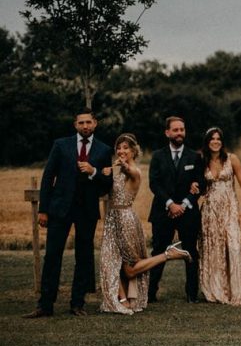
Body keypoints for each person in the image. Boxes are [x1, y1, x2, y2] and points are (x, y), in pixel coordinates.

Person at [24, 108, 113, 318]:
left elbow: (106, 184)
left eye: (88, 122)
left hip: (87, 211)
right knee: (53, 255)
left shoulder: (103, 150)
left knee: (83, 257)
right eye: (81, 123)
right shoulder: (61, 145)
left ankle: (77, 303)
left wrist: (94, 172)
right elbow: (48, 178)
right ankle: (45, 305)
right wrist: (44, 210)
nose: (85, 126)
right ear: (75, 125)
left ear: (95, 124)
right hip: (59, 209)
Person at [147, 116, 205, 303]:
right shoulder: (157, 156)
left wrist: (184, 204)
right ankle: (150, 292)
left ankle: (191, 294)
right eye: (175, 130)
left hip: (188, 213)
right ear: (167, 132)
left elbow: (200, 184)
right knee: (158, 251)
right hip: (163, 211)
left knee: (190, 252)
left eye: (182, 129)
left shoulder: (195, 156)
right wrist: (170, 204)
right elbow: (154, 184)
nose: (179, 133)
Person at [197, 127, 241, 305]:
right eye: (212, 138)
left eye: (218, 138)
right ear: (207, 141)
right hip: (210, 211)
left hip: (230, 209)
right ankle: (216, 290)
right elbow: (195, 183)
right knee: (214, 249)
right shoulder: (201, 160)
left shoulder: (231, 159)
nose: (215, 141)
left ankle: (237, 292)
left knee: (234, 247)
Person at [98, 133, 150, 314]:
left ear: (134, 150)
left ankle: (169, 255)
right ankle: (122, 299)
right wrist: (103, 172)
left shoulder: (135, 171)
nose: (121, 151)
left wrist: (122, 166)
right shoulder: (116, 168)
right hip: (112, 219)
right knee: (108, 260)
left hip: (126, 218)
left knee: (130, 266)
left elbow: (129, 171)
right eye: (119, 148)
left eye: (125, 148)